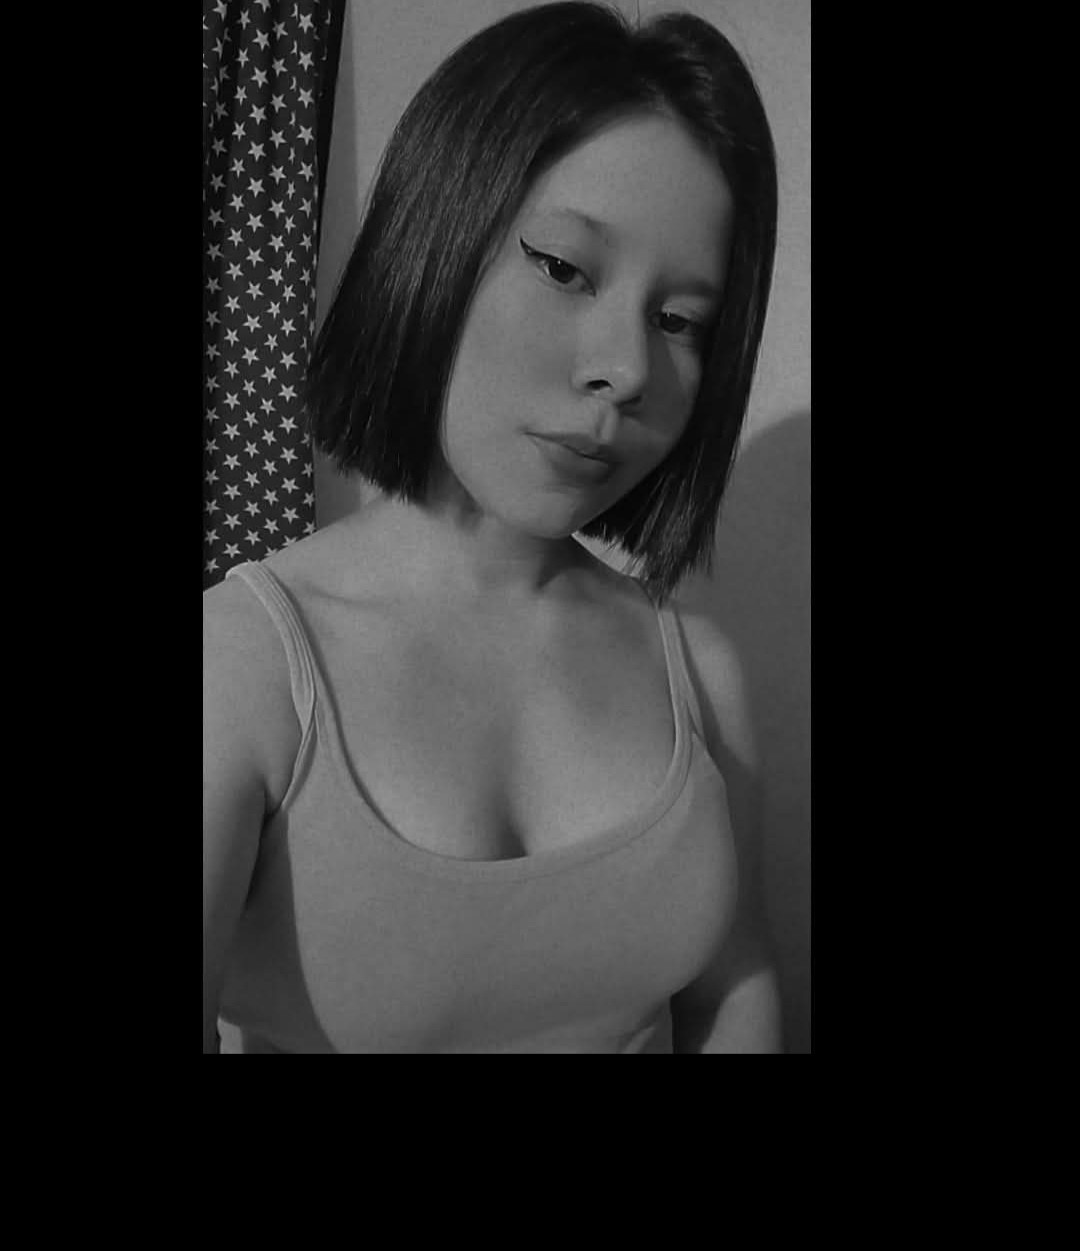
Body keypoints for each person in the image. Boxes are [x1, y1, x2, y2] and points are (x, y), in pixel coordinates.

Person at [203, 0, 782, 1053]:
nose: (628, 369)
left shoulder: (700, 672)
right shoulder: (242, 666)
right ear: (435, 232)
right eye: (564, 268)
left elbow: (735, 987)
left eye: (680, 321)